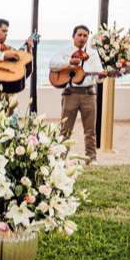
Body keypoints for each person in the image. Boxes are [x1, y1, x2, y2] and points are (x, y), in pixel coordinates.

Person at [49, 25, 103, 161]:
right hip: (70, 93)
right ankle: (60, 159)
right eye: (79, 35)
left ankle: (91, 158)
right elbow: (52, 64)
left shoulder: (93, 53)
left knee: (90, 131)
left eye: (85, 35)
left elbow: (98, 78)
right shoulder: (65, 51)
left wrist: (103, 75)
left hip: (88, 93)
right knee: (65, 130)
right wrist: (69, 62)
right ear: (73, 36)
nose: (82, 38)